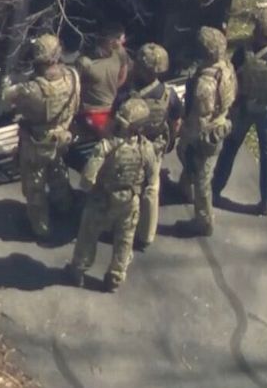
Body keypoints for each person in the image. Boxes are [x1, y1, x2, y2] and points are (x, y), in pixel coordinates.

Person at [211, 4, 267, 216]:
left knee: (230, 147)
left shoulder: (245, 50)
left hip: (244, 106)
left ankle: (214, 189)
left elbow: (233, 75)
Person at [65, 98, 156, 292]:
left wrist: (89, 191)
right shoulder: (145, 148)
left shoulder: (106, 147)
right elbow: (152, 177)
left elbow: (87, 179)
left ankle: (78, 271)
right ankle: (115, 278)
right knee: (125, 239)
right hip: (130, 200)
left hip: (103, 199)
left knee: (88, 234)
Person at [0, 33, 81, 239]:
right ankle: (64, 206)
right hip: (62, 137)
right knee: (58, 172)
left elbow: (4, 100)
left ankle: (41, 228)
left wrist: (7, 79)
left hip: (36, 143)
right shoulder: (73, 76)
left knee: (35, 187)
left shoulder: (32, 90)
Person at [175, 27, 236, 237]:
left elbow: (200, 117)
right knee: (194, 166)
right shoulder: (226, 68)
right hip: (221, 121)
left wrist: (187, 136)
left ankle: (204, 221)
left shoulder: (206, 83)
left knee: (201, 176)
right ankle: (184, 187)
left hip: (205, 133)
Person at [126, 43, 183, 250]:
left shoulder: (128, 94)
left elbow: (115, 122)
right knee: (151, 188)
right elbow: (176, 121)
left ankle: (122, 227)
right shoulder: (169, 95)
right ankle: (146, 235)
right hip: (155, 147)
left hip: (130, 146)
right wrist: (170, 140)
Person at [75, 25, 129, 137]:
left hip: (111, 109)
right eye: (121, 39)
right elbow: (74, 88)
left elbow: (123, 73)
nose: (124, 41)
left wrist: (112, 87)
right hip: (90, 112)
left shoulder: (119, 53)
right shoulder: (85, 63)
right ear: (112, 41)